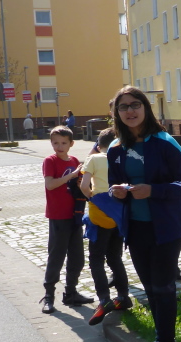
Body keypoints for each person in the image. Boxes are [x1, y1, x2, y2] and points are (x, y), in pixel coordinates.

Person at [108, 85, 181, 342]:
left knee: (163, 287)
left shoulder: (165, 143)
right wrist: (118, 191)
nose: (130, 111)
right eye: (123, 107)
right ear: (117, 113)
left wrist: (153, 191)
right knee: (150, 289)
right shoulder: (115, 149)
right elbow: (114, 185)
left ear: (145, 107)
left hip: (167, 228)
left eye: (135, 104)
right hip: (135, 229)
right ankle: (163, 341)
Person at [39, 125, 94, 314]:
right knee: (56, 256)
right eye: (55, 143)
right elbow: (50, 184)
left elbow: (79, 184)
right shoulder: (50, 161)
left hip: (75, 215)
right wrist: (72, 175)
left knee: (77, 257)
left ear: (71, 144)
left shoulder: (74, 161)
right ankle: (49, 295)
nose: (59, 146)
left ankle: (71, 292)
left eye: (63, 143)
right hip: (58, 215)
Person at [80, 128, 132, 326]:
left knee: (96, 258)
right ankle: (123, 295)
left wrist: (92, 198)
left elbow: (84, 186)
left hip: (99, 215)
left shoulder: (93, 159)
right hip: (118, 214)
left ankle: (104, 299)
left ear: (98, 145)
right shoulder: (121, 158)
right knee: (115, 257)